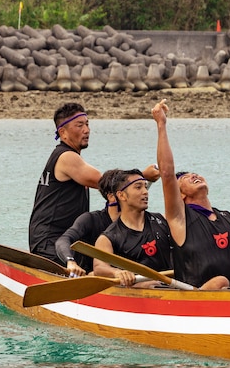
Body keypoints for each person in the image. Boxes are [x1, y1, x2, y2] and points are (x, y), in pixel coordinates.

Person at [28, 102, 158, 262]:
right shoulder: (67, 157)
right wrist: (143, 176)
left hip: (62, 239)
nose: (86, 130)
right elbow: (105, 182)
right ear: (63, 132)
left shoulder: (66, 156)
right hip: (52, 242)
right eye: (79, 125)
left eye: (87, 124)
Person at [152, 99, 230, 290]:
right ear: (180, 196)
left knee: (225, 283)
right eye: (186, 178)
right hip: (193, 301)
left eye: (195, 174)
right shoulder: (180, 218)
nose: (194, 175)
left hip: (229, 302)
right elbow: (167, 173)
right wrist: (161, 125)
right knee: (221, 281)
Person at [92, 169, 173, 288]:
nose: (145, 192)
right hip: (142, 292)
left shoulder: (163, 221)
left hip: (173, 286)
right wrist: (117, 272)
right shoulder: (108, 238)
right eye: (138, 187)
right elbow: (99, 267)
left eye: (145, 187)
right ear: (121, 195)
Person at [55, 169, 125, 276]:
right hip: (91, 278)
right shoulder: (90, 220)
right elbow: (63, 240)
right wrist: (70, 262)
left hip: (126, 278)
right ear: (111, 197)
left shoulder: (139, 222)